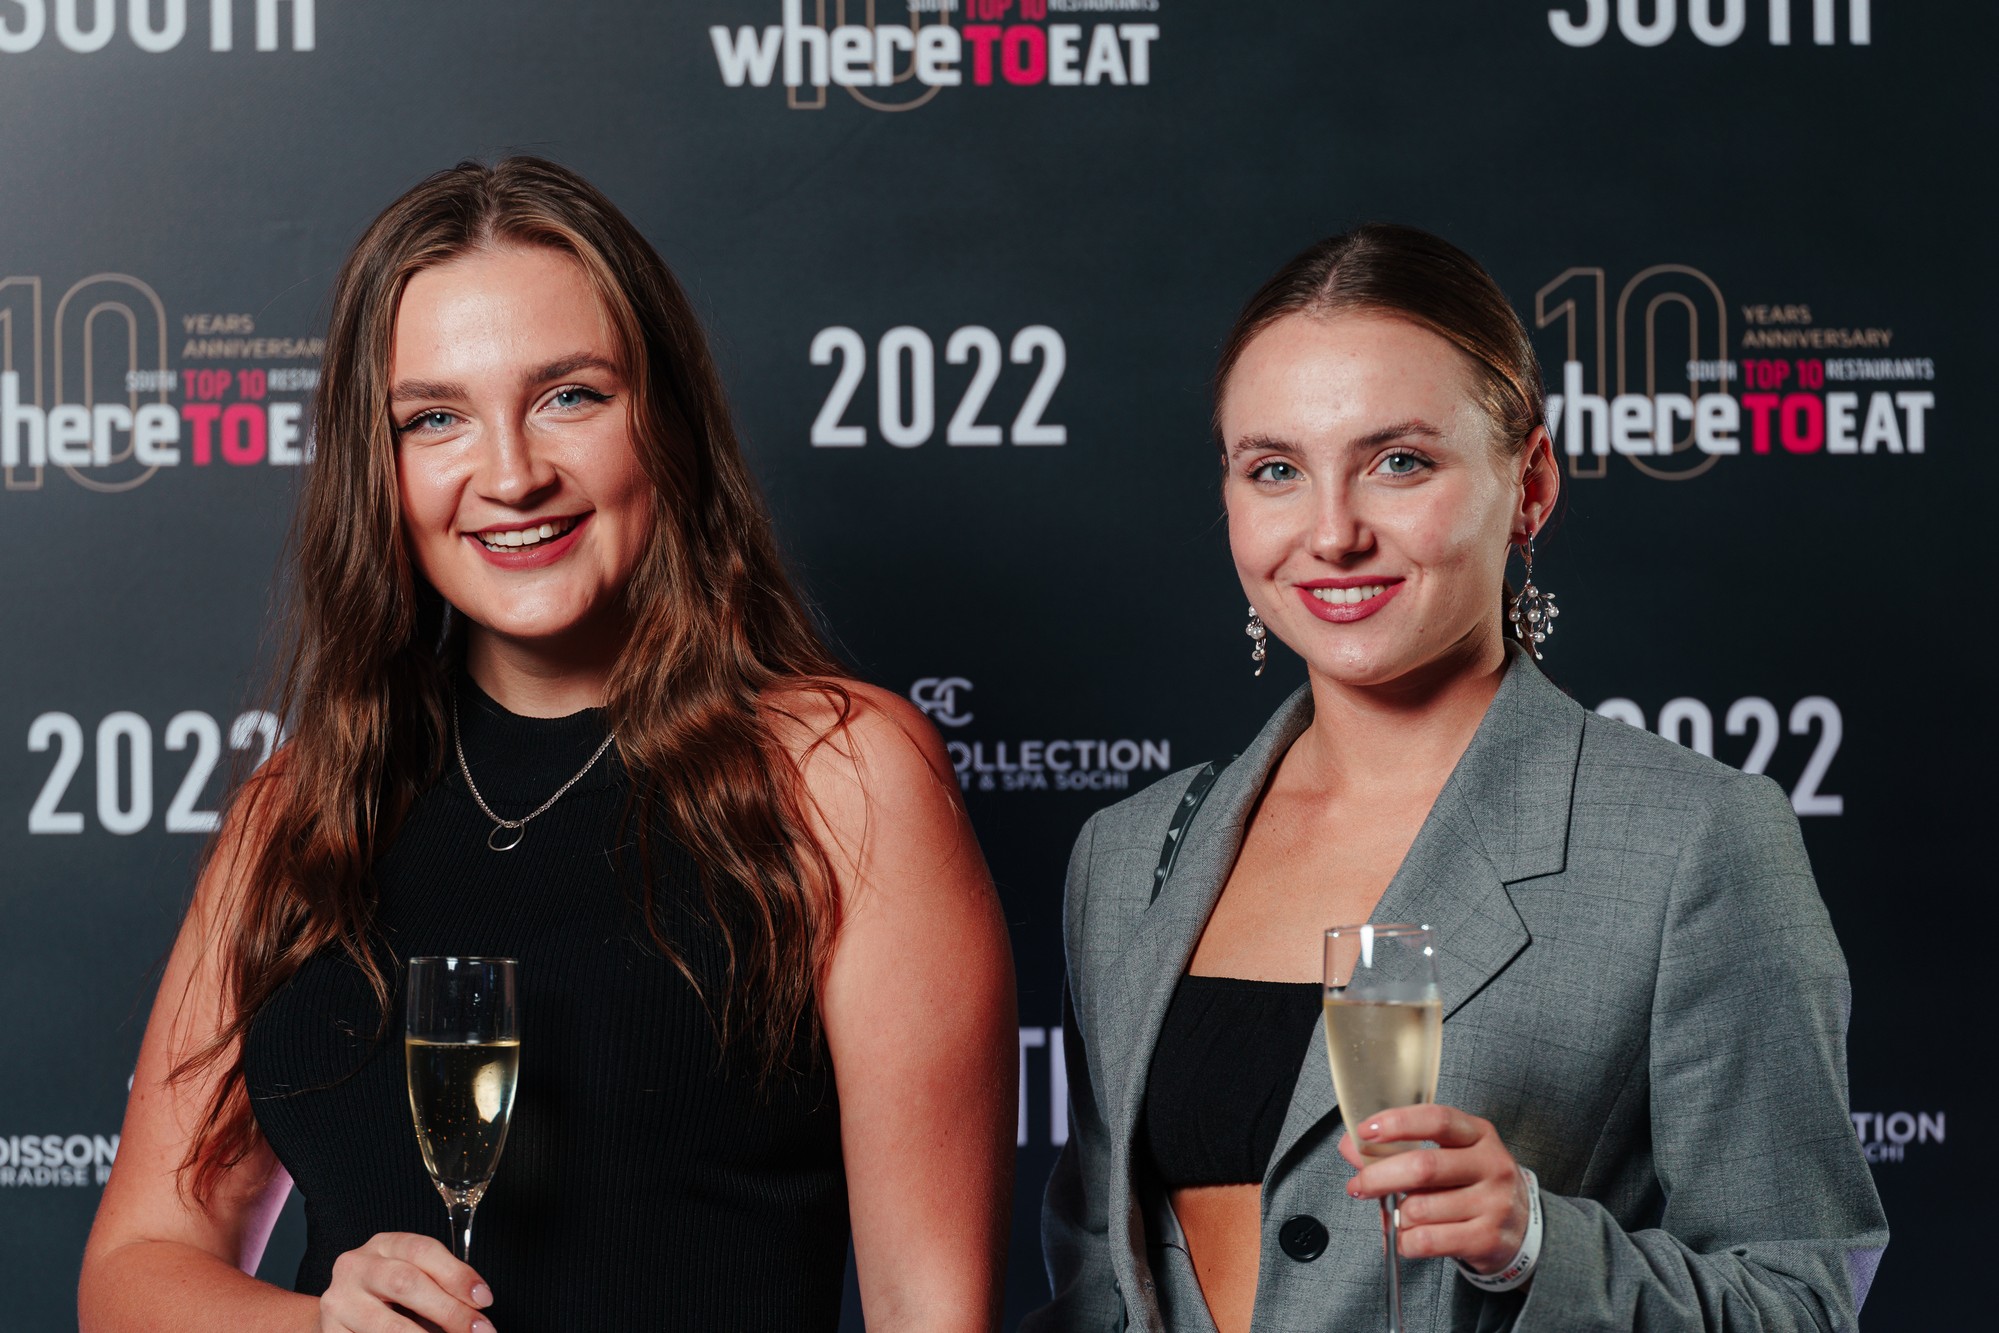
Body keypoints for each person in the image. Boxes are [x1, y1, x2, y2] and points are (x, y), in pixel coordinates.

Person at [78, 156, 1016, 1333]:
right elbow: (136, 1266)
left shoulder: (837, 773)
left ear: (662, 417)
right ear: (380, 467)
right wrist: (317, 1326)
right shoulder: (303, 807)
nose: (513, 475)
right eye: (435, 419)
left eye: (569, 396)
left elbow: (931, 1311)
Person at [1024, 224, 1886, 1332]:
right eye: (1275, 470)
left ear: (1529, 485)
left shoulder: (1692, 840)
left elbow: (1800, 1300)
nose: (1331, 533)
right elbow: (1098, 1281)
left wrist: (1534, 1242)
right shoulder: (1131, 853)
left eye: (1399, 462)